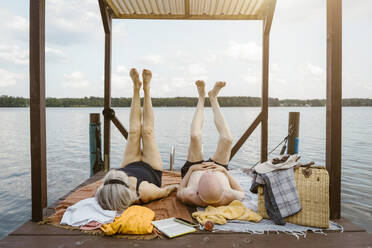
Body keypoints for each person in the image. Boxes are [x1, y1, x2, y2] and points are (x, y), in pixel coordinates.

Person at [96, 68, 177, 211]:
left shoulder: (106, 188)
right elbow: (166, 190)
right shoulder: (145, 192)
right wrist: (176, 187)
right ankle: (147, 89)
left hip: (129, 165)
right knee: (147, 132)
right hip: (151, 168)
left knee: (133, 132)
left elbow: (101, 192)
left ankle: (136, 88)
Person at [177, 80, 245, 207]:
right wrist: (224, 172)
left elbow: (179, 191)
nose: (208, 172)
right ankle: (213, 97)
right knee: (227, 140)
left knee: (195, 136)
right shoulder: (231, 195)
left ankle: (201, 97)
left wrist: (192, 169)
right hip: (218, 168)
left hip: (194, 170)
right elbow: (241, 192)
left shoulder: (189, 195)